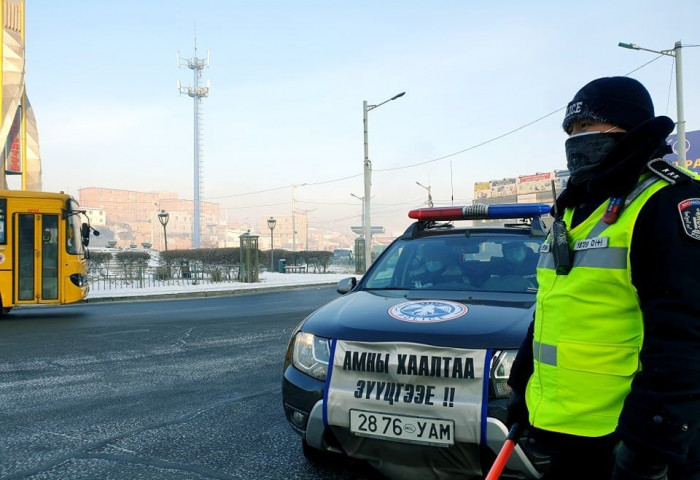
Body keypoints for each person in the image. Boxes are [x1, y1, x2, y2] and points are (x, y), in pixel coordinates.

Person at [506, 76, 700, 480]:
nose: (577, 138)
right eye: (572, 130)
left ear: (629, 128)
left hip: (626, 435)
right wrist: (523, 385)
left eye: (589, 126)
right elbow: (554, 305)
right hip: (568, 429)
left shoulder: (665, 201)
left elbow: (684, 333)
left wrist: (651, 440)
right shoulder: (575, 207)